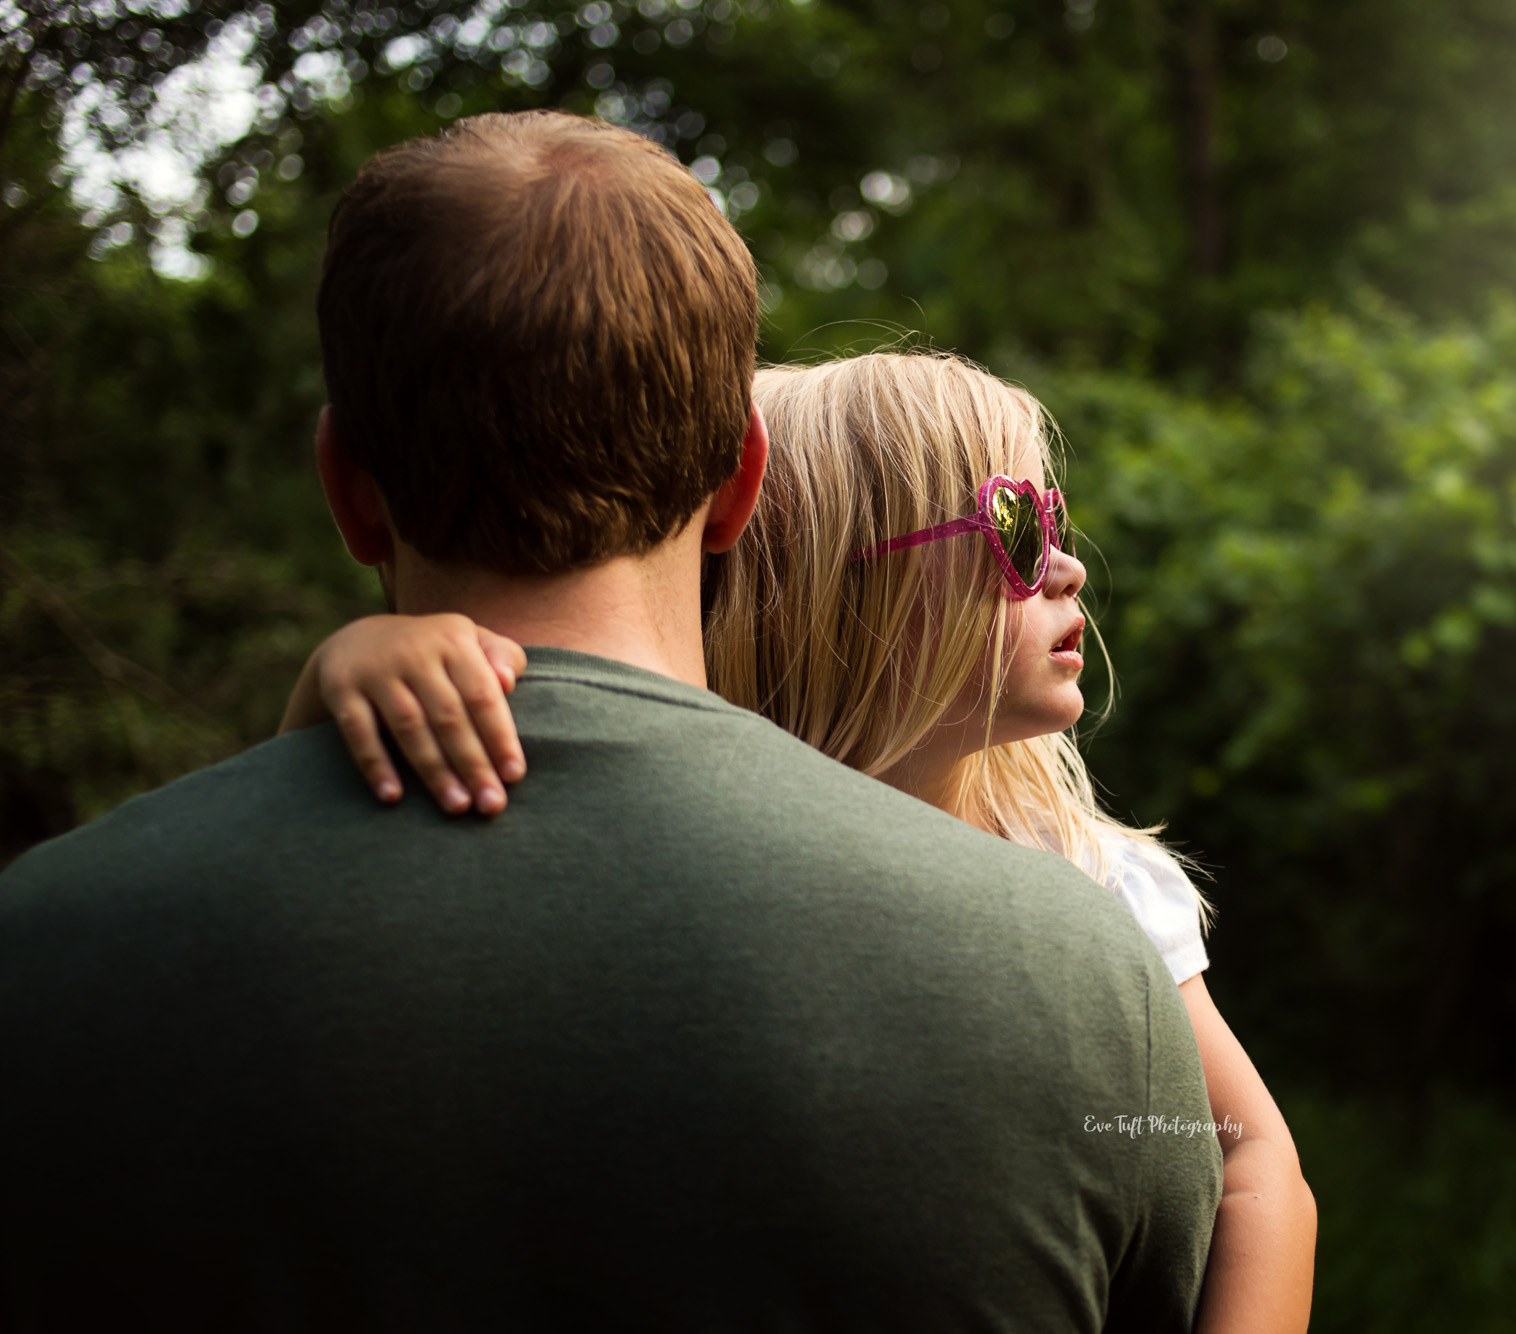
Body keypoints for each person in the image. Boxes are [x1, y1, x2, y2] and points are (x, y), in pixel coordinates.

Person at [0, 111, 1222, 1329]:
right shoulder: (1075, 968)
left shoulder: (45, 948)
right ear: (741, 480)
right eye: (1018, 531)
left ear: (345, 488)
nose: (1060, 569)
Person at [287, 353, 1318, 1331]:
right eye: (1010, 526)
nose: (1066, 565)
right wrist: (352, 666)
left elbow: (1249, 1161)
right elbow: (336, 862)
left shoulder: (1089, 872)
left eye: (1050, 517)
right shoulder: (679, 820)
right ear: (846, 586)